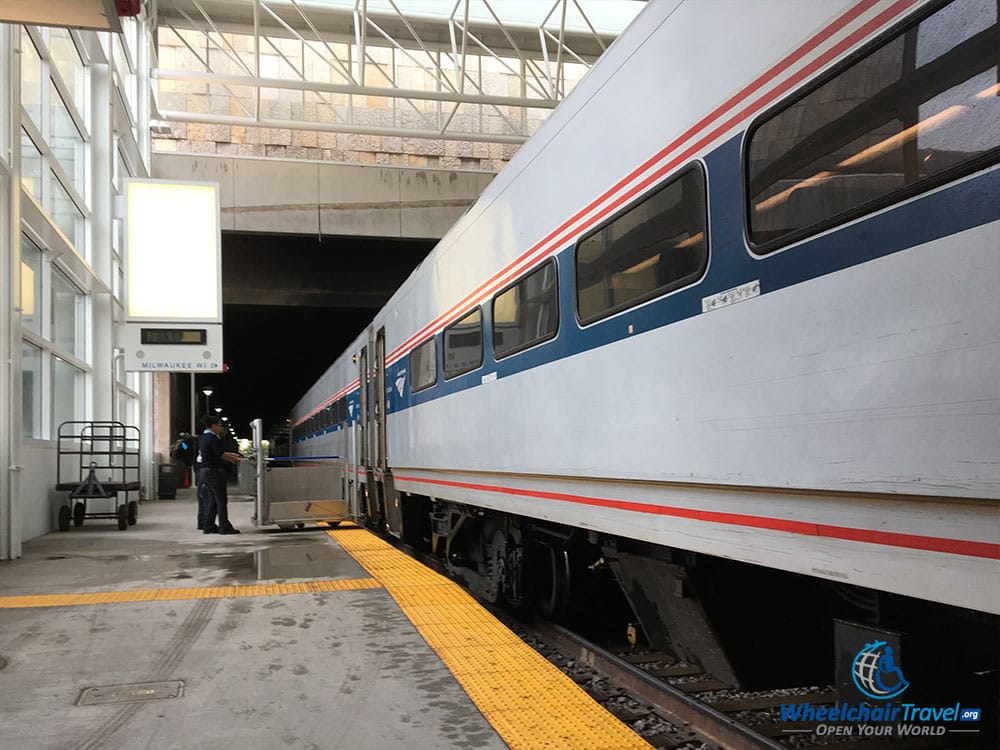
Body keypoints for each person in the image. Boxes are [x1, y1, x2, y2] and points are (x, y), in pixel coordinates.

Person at [196, 415, 242, 534]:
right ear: (213, 426)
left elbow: (215, 452)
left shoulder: (203, 437)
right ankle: (224, 527)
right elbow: (220, 454)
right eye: (219, 425)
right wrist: (236, 459)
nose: (221, 428)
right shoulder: (213, 438)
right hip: (214, 472)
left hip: (204, 472)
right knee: (221, 500)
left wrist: (233, 455)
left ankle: (208, 526)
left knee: (212, 500)